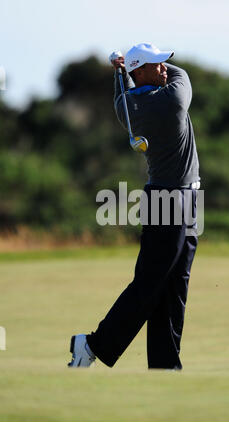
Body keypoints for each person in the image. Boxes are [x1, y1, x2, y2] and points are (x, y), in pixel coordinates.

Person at [68, 43, 200, 370]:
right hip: (172, 200)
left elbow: (125, 92)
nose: (165, 67)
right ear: (140, 71)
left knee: (173, 283)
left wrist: (120, 71)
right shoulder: (172, 100)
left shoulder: (125, 106)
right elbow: (183, 75)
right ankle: (93, 344)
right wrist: (124, 69)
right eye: (156, 64)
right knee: (150, 282)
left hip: (178, 197)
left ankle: (165, 363)